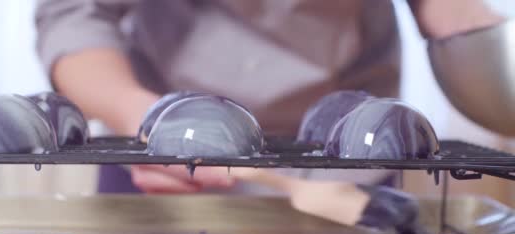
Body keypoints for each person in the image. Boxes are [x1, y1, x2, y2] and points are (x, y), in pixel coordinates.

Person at [34, 0, 502, 194]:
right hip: (155, 151)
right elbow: (75, 14)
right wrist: (144, 117)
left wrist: (497, 58)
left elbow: (452, 12)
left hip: (343, 156)